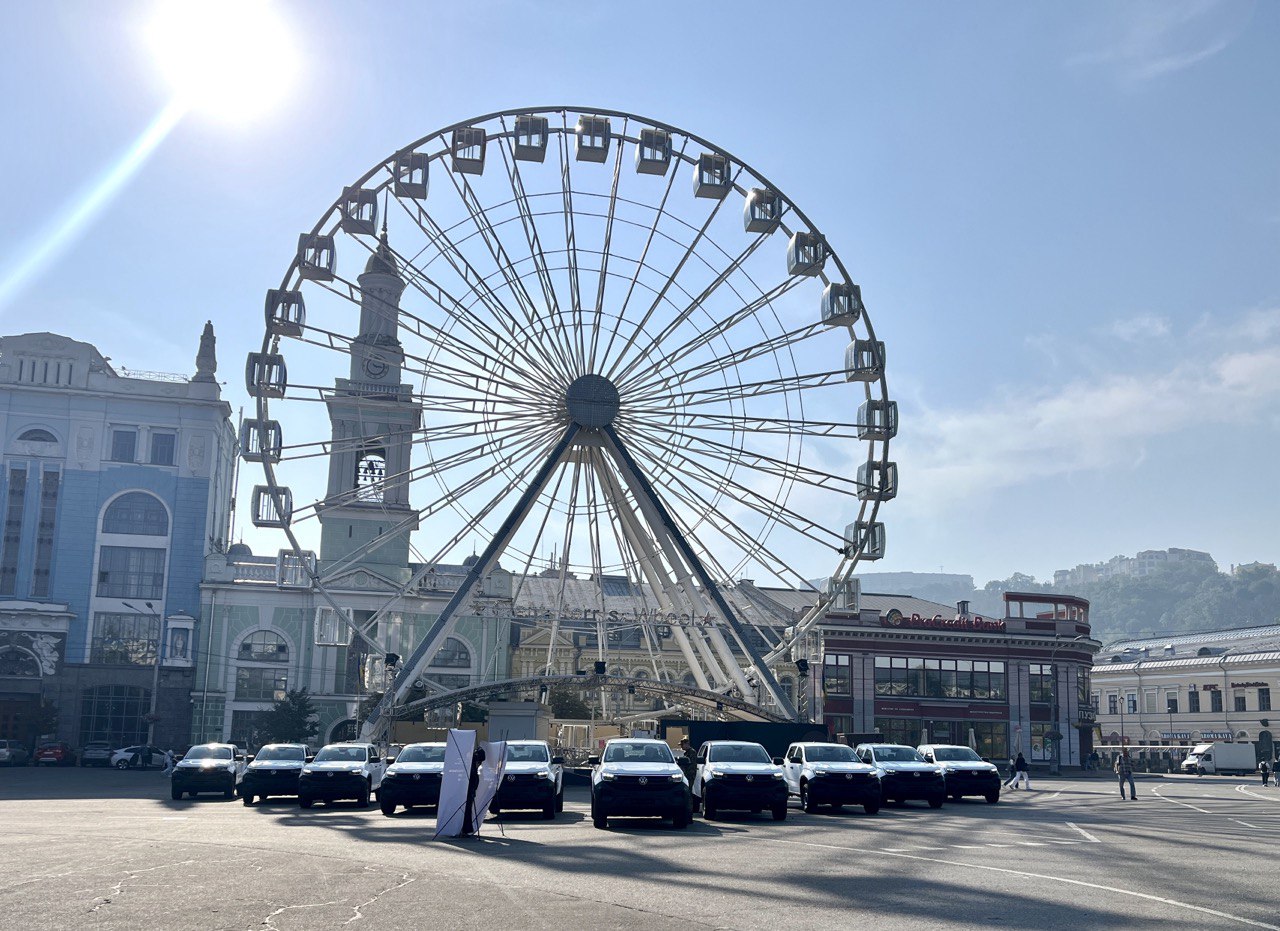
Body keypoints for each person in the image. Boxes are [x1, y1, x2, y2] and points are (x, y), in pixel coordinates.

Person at [460, 745, 486, 837]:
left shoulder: (472, 761)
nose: (479, 764)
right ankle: (465, 829)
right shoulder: (469, 762)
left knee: (468, 810)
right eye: (479, 762)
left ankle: (466, 829)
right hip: (467, 788)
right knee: (467, 810)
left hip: (470, 788)